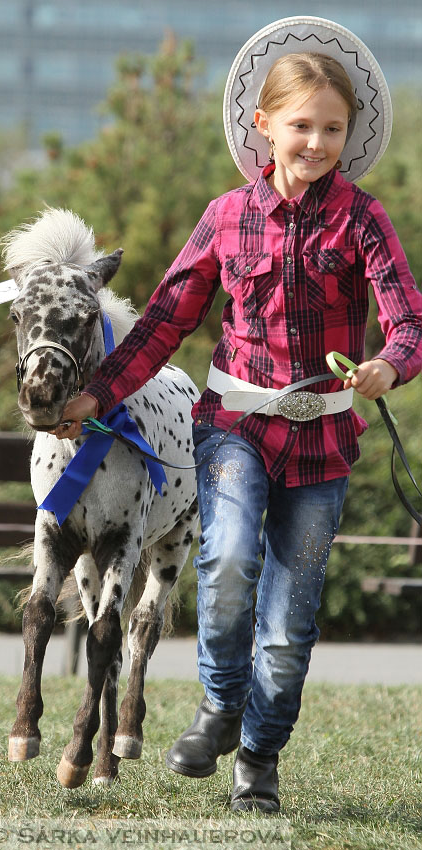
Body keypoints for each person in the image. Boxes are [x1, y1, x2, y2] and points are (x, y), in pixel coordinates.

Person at [53, 17, 422, 813]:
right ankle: (219, 705)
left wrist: (387, 363)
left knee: (288, 628)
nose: (316, 141)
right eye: (300, 125)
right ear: (263, 126)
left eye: (332, 128)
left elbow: (407, 321)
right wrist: (98, 394)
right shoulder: (225, 217)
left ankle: (258, 758)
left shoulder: (363, 220)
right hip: (232, 430)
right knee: (223, 569)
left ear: (349, 133)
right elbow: (162, 321)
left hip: (323, 439)